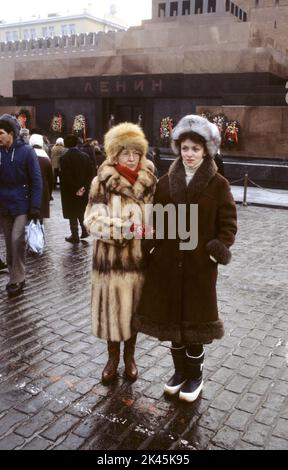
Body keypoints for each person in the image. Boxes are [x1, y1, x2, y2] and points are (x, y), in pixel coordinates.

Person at [133, 115, 237, 402]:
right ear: (178, 148)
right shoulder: (166, 183)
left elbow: (228, 223)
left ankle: (195, 376)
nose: (189, 154)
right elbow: (157, 221)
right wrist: (147, 248)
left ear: (207, 151)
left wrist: (217, 248)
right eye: (185, 148)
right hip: (166, 265)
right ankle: (180, 372)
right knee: (172, 327)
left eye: (195, 148)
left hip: (199, 268)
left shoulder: (218, 185)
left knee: (195, 327)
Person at [84, 123, 157, 384]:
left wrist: (154, 229)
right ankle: (112, 358)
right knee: (113, 311)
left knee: (133, 312)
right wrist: (125, 229)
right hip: (111, 262)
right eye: (125, 152)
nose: (131, 157)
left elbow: (156, 216)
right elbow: (92, 221)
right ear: (114, 154)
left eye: (136, 153)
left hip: (139, 262)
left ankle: (130, 357)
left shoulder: (149, 181)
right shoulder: (101, 181)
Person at [0, 114, 42, 296]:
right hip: (3, 205)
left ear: (10, 133)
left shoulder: (27, 151)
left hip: (22, 204)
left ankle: (19, 278)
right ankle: (13, 277)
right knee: (9, 244)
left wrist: (35, 206)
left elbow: (36, 179)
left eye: (0, 133)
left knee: (17, 239)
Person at [60, 134, 94, 243]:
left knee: (72, 213)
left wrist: (75, 189)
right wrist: (84, 187)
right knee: (81, 210)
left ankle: (74, 235)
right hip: (83, 190)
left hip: (70, 191)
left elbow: (66, 176)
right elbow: (91, 173)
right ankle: (84, 230)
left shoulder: (64, 158)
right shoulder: (85, 156)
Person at [30, 134, 53, 223]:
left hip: (30, 189)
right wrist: (49, 194)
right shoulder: (46, 159)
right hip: (43, 189)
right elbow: (51, 179)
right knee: (40, 216)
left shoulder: (28, 156)